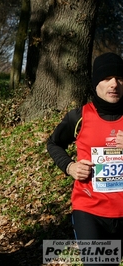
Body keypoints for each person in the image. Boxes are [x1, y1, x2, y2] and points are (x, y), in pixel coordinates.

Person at [47, 52, 123, 266]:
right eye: (107, 78)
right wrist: (70, 166)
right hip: (89, 210)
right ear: (95, 82)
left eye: (120, 78)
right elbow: (53, 144)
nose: (114, 84)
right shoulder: (79, 116)